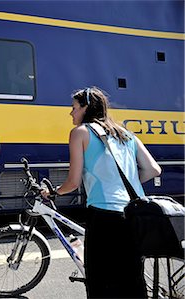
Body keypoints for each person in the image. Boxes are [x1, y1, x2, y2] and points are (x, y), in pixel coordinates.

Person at [41, 86, 161, 298]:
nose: (71, 113)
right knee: (132, 280)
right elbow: (153, 170)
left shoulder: (80, 133)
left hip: (104, 217)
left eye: (74, 108)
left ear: (86, 108)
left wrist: (54, 193)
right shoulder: (126, 134)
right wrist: (125, 184)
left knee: (100, 281)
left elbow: (73, 182)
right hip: (134, 215)